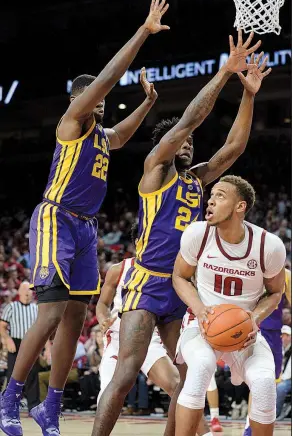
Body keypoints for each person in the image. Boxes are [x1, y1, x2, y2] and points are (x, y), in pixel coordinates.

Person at [0, 0, 170, 436]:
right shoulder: (72, 120)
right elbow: (110, 76)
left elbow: (122, 135)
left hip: (85, 228)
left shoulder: (100, 135)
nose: (102, 101)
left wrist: (148, 103)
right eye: (95, 95)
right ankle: (10, 398)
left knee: (76, 318)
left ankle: (50, 409)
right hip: (56, 218)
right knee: (51, 314)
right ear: (82, 98)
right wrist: (143, 33)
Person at [92, 30, 265, 436]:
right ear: (167, 146)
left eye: (191, 143)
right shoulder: (156, 168)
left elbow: (233, 150)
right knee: (126, 371)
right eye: (180, 141)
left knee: (190, 380)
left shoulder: (197, 181)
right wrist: (225, 71)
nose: (187, 144)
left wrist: (249, 95)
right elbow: (190, 118)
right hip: (147, 279)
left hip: (182, 284)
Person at [172, 175, 286, 436]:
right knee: (200, 367)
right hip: (201, 324)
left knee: (265, 381)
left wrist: (253, 318)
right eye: (211, 196)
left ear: (240, 206)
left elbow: (275, 292)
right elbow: (179, 276)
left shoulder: (268, 246)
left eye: (220, 196)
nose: (210, 201)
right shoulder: (197, 234)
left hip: (244, 329)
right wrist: (200, 309)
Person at [96, 223, 180, 408]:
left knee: (177, 387)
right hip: (120, 338)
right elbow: (102, 304)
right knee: (108, 394)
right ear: (137, 243)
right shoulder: (118, 269)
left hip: (149, 339)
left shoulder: (169, 271)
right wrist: (103, 319)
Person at [243, 268, 291, 435]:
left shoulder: (285, 275)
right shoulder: (250, 268)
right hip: (252, 330)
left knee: (269, 382)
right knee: (258, 380)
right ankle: (249, 428)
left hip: (274, 333)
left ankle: (254, 427)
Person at [0, 282, 39, 412]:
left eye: (30, 290)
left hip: (32, 343)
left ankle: (33, 406)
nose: (28, 293)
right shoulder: (11, 307)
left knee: (33, 374)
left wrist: (47, 348)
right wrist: (7, 339)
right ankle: (9, 405)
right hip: (16, 342)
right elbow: (2, 327)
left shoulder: (36, 308)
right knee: (13, 375)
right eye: (25, 290)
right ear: (19, 292)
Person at [276, 325, 291, 419]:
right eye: (282, 335)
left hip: (289, 378)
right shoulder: (280, 348)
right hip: (281, 377)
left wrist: (281, 379)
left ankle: (276, 413)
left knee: (281, 388)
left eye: (286, 335)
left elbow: (289, 371)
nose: (283, 338)